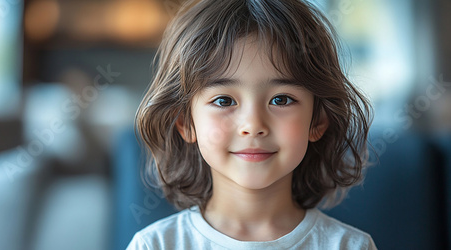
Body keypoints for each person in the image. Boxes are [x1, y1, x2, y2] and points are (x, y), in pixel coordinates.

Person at [129, 0, 376, 249]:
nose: (253, 125)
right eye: (224, 100)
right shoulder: (154, 245)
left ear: (318, 120)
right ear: (186, 122)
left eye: (281, 99)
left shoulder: (351, 246)